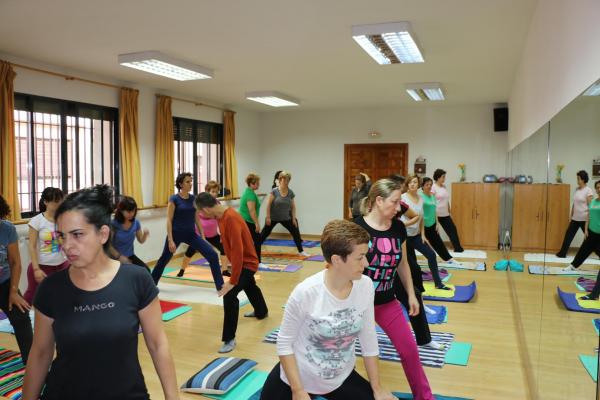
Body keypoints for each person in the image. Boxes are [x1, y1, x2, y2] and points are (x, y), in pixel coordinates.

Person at [21, 185, 179, 400]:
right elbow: (40, 353)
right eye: (62, 236)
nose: (67, 246)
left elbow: (158, 343)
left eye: (77, 235)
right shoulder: (51, 288)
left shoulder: (136, 280)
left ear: (103, 234)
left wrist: (173, 397)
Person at [260, 219, 395, 400]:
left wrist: (377, 387)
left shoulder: (366, 286)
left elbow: (368, 338)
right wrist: (298, 391)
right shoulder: (306, 292)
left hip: (339, 377)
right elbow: (284, 344)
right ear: (337, 260)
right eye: (360, 257)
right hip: (297, 378)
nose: (367, 263)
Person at [354, 179, 434, 400]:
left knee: (409, 351)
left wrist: (410, 294)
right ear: (379, 201)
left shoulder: (398, 228)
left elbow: (402, 263)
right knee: (340, 352)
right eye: (395, 202)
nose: (399, 208)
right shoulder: (357, 228)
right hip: (357, 305)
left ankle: (425, 397)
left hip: (387, 303)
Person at [195, 193, 269, 354]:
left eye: (200, 212)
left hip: (247, 264)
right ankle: (261, 311)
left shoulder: (231, 218)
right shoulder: (220, 217)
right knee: (250, 285)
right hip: (241, 263)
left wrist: (232, 281)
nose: (200, 215)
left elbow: (238, 252)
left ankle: (229, 339)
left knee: (229, 295)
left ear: (206, 209)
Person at [150, 172, 223, 290]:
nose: (190, 184)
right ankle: (151, 285)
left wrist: (203, 236)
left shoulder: (193, 198)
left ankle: (220, 286)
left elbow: (197, 218)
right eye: (187, 182)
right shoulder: (174, 199)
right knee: (164, 260)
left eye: (191, 181)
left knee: (213, 255)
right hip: (175, 234)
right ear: (181, 184)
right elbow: (169, 219)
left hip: (191, 235)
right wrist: (170, 240)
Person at [0, 195, 33, 364]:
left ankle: (32, 363)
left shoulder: (7, 229)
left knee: (21, 313)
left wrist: (13, 291)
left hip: (5, 283)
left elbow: (15, 262)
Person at [24, 187, 69, 305]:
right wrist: (36, 269)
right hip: (42, 266)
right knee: (31, 296)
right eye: (55, 201)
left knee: (62, 296)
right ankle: (21, 321)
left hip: (61, 265)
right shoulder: (37, 221)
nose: (58, 204)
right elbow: (32, 246)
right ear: (46, 202)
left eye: (60, 201)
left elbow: (67, 242)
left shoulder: (63, 219)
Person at [177, 181, 230, 277]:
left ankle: (225, 270)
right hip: (199, 235)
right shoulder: (200, 203)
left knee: (224, 249)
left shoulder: (217, 203)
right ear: (207, 191)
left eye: (216, 192)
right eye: (213, 191)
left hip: (213, 235)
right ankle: (182, 269)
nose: (215, 194)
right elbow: (195, 218)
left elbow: (220, 219)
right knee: (190, 252)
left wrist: (222, 234)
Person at [260, 171, 309, 256]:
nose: (286, 182)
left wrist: (293, 218)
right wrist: (268, 217)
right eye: (284, 180)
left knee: (295, 232)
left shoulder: (290, 192)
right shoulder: (274, 191)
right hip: (273, 218)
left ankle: (301, 251)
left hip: (286, 218)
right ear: (280, 180)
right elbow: (268, 205)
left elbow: (293, 207)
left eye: (288, 180)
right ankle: (254, 249)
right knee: (264, 235)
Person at [562, 180, 600, 281]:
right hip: (591, 232)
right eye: (597, 187)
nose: (599, 189)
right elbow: (588, 216)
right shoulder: (593, 202)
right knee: (583, 250)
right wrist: (586, 229)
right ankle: (573, 266)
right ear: (596, 189)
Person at [421, 177, 461, 267]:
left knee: (438, 242)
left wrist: (437, 223)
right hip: (422, 225)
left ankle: (448, 258)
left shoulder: (432, 196)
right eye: (427, 184)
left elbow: (435, 210)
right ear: (422, 186)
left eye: (430, 184)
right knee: (421, 244)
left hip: (432, 223)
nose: (429, 186)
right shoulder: (420, 195)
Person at [556, 170, 595, 258]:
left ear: (583, 179)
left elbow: (591, 207)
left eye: (578, 178)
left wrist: (589, 221)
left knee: (590, 238)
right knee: (568, 235)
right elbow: (574, 204)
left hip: (584, 219)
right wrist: (571, 215)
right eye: (577, 178)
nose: (577, 180)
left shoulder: (588, 191)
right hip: (575, 218)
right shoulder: (577, 189)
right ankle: (562, 253)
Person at [109, 195, 151, 273]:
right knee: (126, 276)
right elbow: (108, 246)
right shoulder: (113, 224)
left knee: (146, 271)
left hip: (130, 257)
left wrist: (145, 235)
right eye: (128, 212)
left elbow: (141, 240)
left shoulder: (136, 223)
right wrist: (119, 257)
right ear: (121, 210)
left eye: (133, 211)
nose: (131, 214)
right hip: (115, 258)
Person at [431, 169, 464, 252]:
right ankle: (434, 248)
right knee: (433, 233)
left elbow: (446, 201)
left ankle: (457, 248)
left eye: (444, 177)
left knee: (453, 230)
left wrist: (449, 212)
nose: (444, 178)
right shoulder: (433, 187)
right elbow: (431, 202)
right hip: (436, 214)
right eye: (443, 177)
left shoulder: (444, 187)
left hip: (445, 214)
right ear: (438, 177)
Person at [239, 173, 264, 267]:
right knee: (257, 240)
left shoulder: (249, 192)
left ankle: (250, 260)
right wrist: (257, 224)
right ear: (252, 184)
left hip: (246, 221)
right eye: (257, 183)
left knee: (252, 241)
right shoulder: (250, 195)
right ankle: (258, 262)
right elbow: (252, 211)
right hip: (247, 221)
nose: (259, 185)